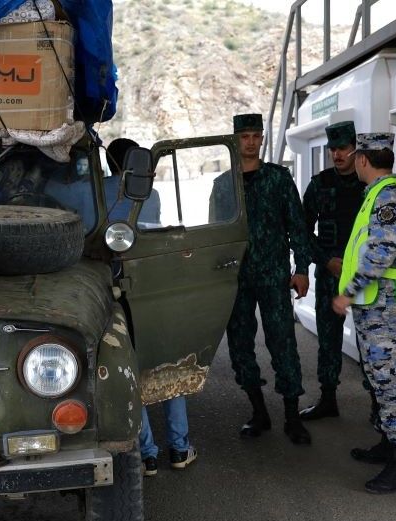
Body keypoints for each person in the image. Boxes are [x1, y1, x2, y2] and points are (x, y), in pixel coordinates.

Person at [210, 113, 316, 445]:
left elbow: (298, 227)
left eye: (257, 136)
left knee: (283, 343)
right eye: (245, 137)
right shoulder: (222, 185)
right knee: (240, 346)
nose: (252, 142)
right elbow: (215, 235)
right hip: (236, 279)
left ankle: (291, 416)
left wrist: (301, 269)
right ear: (234, 140)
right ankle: (259, 412)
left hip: (274, 277)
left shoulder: (279, 179)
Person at [332, 132, 396, 494]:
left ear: (363, 160)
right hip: (375, 306)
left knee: (388, 380)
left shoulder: (389, 199)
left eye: (355, 156)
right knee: (377, 377)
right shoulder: (378, 195)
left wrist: (347, 294)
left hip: (385, 306)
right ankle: (387, 444)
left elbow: (381, 254)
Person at [102, 137, 193, 474]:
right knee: (167, 364)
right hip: (152, 287)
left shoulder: (96, 192)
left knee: (132, 370)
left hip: (113, 289)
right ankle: (180, 449)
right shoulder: (150, 195)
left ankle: (148, 453)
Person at [296, 121, 370, 421]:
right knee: (328, 338)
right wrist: (326, 260)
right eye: (333, 149)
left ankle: (379, 403)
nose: (337, 155)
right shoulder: (319, 184)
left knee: (370, 339)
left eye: (342, 148)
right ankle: (328, 399)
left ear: (355, 149)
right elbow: (301, 230)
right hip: (330, 272)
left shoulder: (370, 185)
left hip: (366, 275)